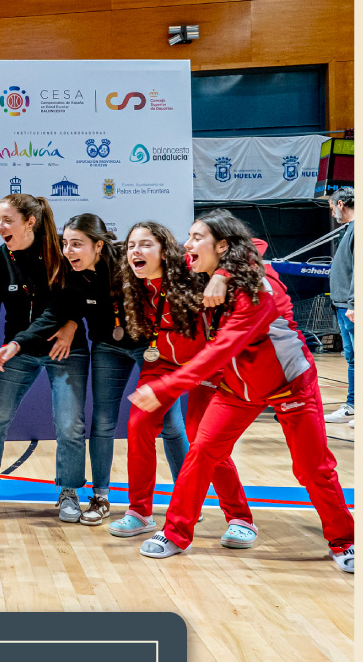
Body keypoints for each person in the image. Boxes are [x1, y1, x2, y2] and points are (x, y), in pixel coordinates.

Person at [129, 212, 354, 574]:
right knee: (202, 451)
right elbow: (253, 245)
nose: (187, 244)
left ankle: (344, 541)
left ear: (222, 245)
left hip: (289, 386)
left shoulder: (260, 289)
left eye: (196, 237)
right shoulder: (203, 264)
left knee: (313, 469)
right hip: (237, 388)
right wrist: (220, 273)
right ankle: (175, 534)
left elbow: (223, 348)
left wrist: (167, 386)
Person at [103, 220, 254, 545]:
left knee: (205, 439)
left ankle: (240, 517)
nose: (135, 251)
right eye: (131, 246)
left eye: (145, 244)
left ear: (165, 250)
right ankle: (140, 512)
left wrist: (221, 275)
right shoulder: (133, 281)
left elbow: (255, 247)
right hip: (161, 363)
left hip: (207, 367)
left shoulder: (191, 268)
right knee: (138, 425)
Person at [0, 194, 86, 521]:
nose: (0, 227)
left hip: (62, 347)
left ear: (30, 222)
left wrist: (19, 343)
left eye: (7, 220)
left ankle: (69, 493)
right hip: (19, 349)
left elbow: (57, 311)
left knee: (69, 424)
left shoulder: (59, 254)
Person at [57, 213, 187, 527]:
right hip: (107, 346)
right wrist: (71, 322)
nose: (69, 250)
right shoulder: (69, 270)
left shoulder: (127, 261)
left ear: (98, 245)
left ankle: (187, 497)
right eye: (65, 243)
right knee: (103, 422)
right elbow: (71, 304)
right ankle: (100, 497)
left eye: (77, 243)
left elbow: (181, 264)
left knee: (171, 424)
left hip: (148, 347)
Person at [324, 188, 356, 425]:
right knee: (353, 358)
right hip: (343, 305)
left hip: (351, 307)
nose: (333, 212)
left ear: (341, 204)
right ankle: (353, 406)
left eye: (332, 207)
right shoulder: (350, 229)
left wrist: (354, 303)